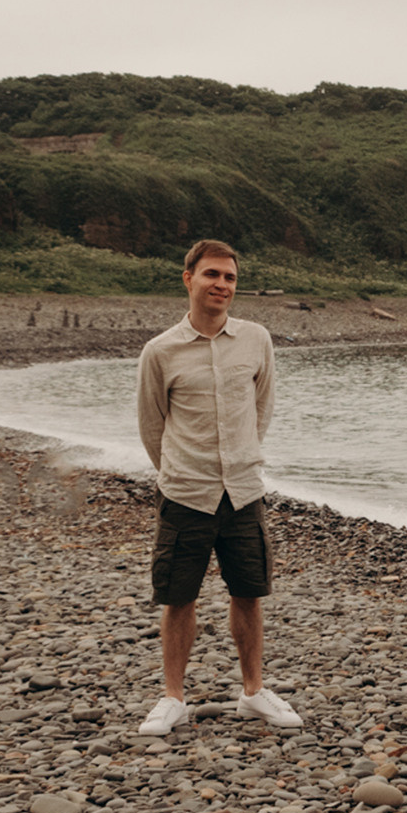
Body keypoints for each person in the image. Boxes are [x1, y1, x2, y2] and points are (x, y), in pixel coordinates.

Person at [134, 239, 301, 735]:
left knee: (249, 592)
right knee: (178, 596)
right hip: (186, 491)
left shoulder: (257, 340)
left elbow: (262, 409)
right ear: (188, 279)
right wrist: (179, 471)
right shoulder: (160, 351)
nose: (221, 285)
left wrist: (241, 458)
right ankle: (172, 698)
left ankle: (253, 691)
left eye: (229, 278)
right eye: (212, 275)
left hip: (244, 491)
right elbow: (151, 425)